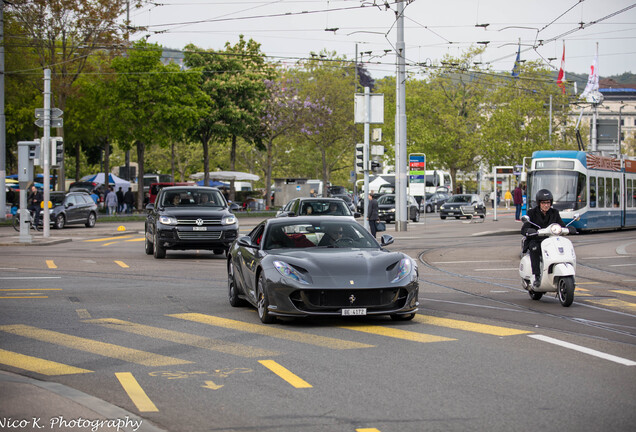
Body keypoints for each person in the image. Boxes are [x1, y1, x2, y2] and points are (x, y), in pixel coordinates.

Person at [521, 189, 575, 288]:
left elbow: (561, 224)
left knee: (562, 246)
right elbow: (524, 229)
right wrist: (530, 231)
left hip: (551, 240)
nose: (546, 205)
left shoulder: (554, 212)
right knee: (534, 248)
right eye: (543, 203)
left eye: (548, 203)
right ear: (539, 203)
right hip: (537, 239)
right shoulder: (532, 213)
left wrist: (568, 229)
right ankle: (536, 276)